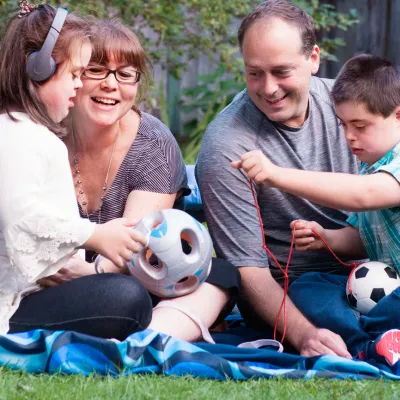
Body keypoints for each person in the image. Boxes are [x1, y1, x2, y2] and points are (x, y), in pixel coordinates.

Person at [38, 18, 241, 344]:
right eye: (96, 70)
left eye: (125, 74)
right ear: (74, 77)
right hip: (47, 276)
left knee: (220, 276)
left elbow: (137, 249)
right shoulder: (41, 132)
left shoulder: (153, 146)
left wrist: (90, 273)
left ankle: (145, 342)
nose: (111, 84)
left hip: (137, 278)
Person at [196, 0, 360, 357]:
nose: (268, 88)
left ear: (313, 59)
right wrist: (305, 336)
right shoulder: (227, 145)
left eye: (281, 71)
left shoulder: (354, 111)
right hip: (295, 290)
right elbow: (248, 271)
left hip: (370, 267)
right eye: (254, 73)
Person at [233, 54, 400, 366]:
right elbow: (364, 237)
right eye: (344, 124)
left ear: (398, 116)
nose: (349, 136)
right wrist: (328, 239)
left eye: (360, 125)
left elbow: (363, 196)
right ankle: (367, 345)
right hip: (381, 288)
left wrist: (275, 175)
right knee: (309, 287)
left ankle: (373, 340)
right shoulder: (371, 165)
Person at [0, 4, 152, 338]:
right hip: (10, 305)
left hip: (25, 294)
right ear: (38, 70)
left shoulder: (27, 132)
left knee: (127, 297)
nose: (80, 85)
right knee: (127, 299)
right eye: (74, 74)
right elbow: (19, 216)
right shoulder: (16, 133)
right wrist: (95, 235)